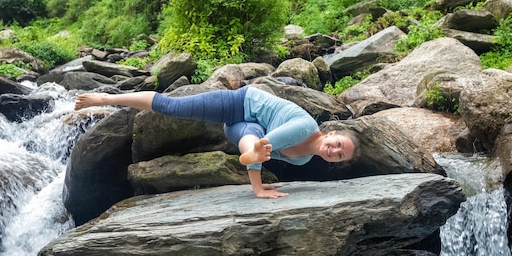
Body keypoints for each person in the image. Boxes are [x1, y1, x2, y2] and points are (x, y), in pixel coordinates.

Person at [74, 87, 359, 199]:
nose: (333, 151)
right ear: (331, 133)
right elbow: (265, 146)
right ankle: (106, 98)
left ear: (335, 163)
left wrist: (256, 175)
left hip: (245, 130)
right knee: (171, 107)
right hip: (237, 104)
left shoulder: (302, 160)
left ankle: (247, 155)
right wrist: (257, 184)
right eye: (337, 144)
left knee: (254, 145)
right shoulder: (305, 126)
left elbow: (263, 148)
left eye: (338, 156)